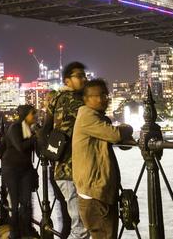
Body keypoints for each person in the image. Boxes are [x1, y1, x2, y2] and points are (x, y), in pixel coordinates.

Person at [72, 79, 134, 239]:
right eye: (100, 95)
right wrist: (128, 128)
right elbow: (115, 134)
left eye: (106, 94)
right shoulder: (87, 116)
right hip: (95, 194)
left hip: (96, 191)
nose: (105, 98)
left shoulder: (95, 118)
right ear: (87, 99)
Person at [40, 61, 89, 239]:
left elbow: (44, 129)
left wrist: (51, 154)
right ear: (67, 80)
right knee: (81, 226)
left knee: (75, 222)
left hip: (60, 167)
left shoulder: (56, 99)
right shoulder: (76, 101)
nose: (84, 79)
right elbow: (94, 121)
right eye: (79, 76)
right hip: (72, 169)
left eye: (85, 76)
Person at [1, 104, 39, 239]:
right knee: (15, 202)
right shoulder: (15, 127)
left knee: (27, 202)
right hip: (11, 169)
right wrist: (35, 138)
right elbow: (20, 147)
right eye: (32, 113)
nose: (35, 116)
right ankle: (15, 233)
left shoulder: (30, 129)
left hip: (25, 169)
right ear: (25, 115)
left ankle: (27, 230)